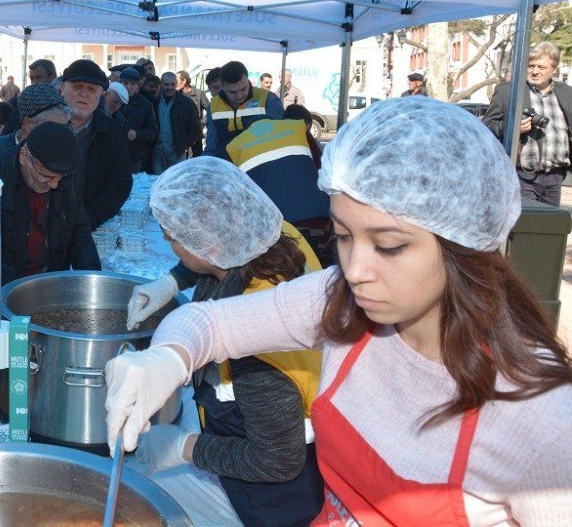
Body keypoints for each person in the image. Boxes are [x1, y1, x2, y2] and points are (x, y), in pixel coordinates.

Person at [106, 96, 572, 525]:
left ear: (464, 245)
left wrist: (185, 447)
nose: (355, 269)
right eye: (344, 237)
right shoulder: (339, 299)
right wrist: (167, 357)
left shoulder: (542, 419)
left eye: (388, 245)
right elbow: (209, 323)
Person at [126, 158, 324, 526]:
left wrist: (183, 448)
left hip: (270, 503)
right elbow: (215, 249)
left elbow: (277, 459)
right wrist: (170, 281)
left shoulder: (258, 348)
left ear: (208, 244)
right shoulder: (274, 235)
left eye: (174, 239)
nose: (171, 246)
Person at [0, 122, 100, 284]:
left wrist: (91, 277)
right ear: (24, 158)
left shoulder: (65, 177)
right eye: (46, 176)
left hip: (51, 281)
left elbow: (78, 229)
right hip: (7, 286)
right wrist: (18, 289)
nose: (53, 184)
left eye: (59, 177)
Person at [226, 117, 333, 266]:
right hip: (314, 216)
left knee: (291, 273)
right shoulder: (297, 127)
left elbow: (239, 196)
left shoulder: (234, 146)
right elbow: (322, 166)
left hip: (275, 225)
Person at [484, 41, 572, 208]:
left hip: (555, 177)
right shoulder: (507, 91)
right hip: (521, 175)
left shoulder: (567, 93)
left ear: (553, 69)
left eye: (541, 67)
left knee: (550, 228)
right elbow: (487, 126)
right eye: (531, 66)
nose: (535, 71)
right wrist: (512, 128)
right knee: (528, 225)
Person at [60, 59, 133, 230]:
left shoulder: (112, 133)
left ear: (101, 94)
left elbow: (119, 183)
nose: (84, 94)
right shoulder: (38, 122)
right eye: (77, 86)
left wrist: (85, 220)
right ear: (63, 88)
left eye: (92, 89)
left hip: (84, 227)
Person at [0, 83, 72, 176]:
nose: (61, 135)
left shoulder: (66, 155)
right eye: (53, 128)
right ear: (29, 125)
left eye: (65, 127)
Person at [205, 61, 284, 156]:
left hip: (260, 163)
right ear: (223, 87)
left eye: (243, 89)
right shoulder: (214, 105)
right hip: (228, 165)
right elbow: (211, 145)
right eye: (232, 92)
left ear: (248, 80)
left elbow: (282, 136)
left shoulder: (268, 99)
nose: (239, 96)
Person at [151, 71, 201, 174]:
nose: (169, 87)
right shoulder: (154, 102)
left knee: (176, 184)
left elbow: (195, 127)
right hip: (158, 152)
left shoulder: (186, 103)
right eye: (166, 84)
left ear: (176, 84)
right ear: (161, 84)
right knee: (159, 183)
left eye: (172, 84)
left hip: (177, 152)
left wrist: (184, 144)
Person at [119, 67, 159, 174]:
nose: (129, 87)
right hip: (112, 154)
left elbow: (153, 131)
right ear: (120, 83)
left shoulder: (145, 105)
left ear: (138, 86)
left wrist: (137, 134)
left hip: (134, 156)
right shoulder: (111, 100)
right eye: (125, 83)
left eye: (132, 84)